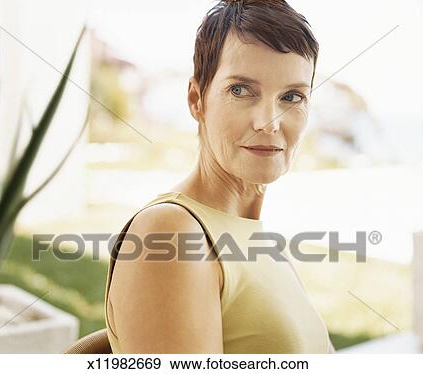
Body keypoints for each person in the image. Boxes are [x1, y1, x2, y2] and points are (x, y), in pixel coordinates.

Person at [104, 0, 336, 353]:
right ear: (197, 99)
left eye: (291, 96)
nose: (269, 122)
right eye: (240, 90)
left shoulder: (266, 244)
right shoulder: (170, 232)